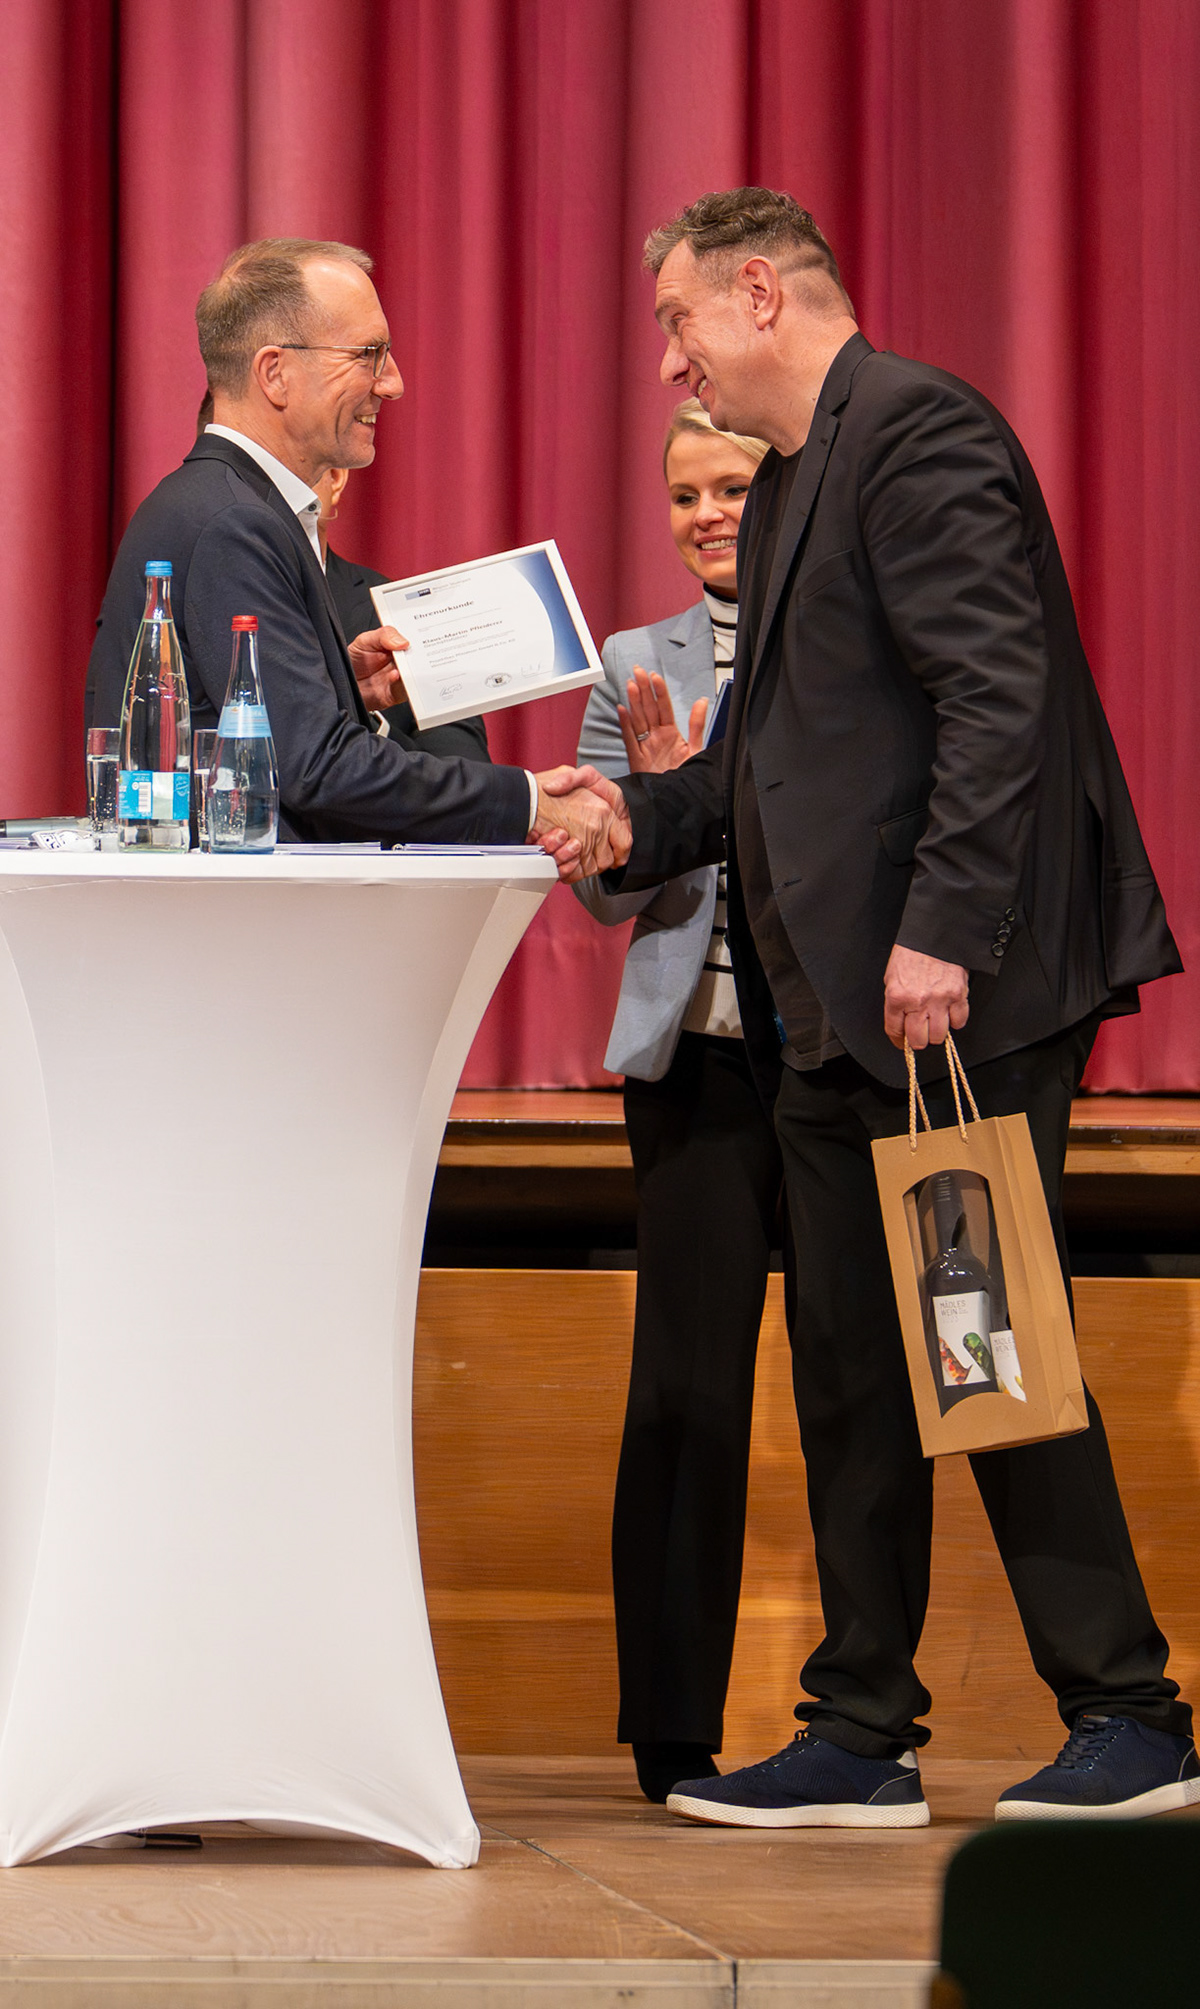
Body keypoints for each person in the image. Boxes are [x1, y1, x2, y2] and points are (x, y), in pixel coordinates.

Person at [544, 187, 1196, 1825]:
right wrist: (642, 818)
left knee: (982, 1337)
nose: (674, 357)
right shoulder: (784, 490)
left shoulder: (915, 431)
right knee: (850, 1352)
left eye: (681, 321)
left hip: (940, 994)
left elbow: (1003, 691)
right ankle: (862, 1723)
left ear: (760, 292)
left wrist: (945, 935)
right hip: (830, 1006)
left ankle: (1131, 1713)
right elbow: (776, 762)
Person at [84, 237, 619, 862]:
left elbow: (258, 737)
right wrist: (530, 801)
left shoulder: (223, 504)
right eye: (368, 355)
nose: (392, 383)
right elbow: (320, 771)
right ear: (275, 374)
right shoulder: (235, 522)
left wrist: (341, 692)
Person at [572, 399, 784, 1805]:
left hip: (833, 1065)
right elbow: (600, 882)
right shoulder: (630, 663)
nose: (707, 515)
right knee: (687, 1394)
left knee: (853, 1389)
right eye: (684, 498)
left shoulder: (841, 636)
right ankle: (671, 1729)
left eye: (731, 487)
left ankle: (862, 1718)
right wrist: (652, 805)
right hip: (696, 1069)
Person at [312, 464, 492, 764]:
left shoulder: (409, 616)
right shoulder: (210, 609)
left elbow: (466, 768)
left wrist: (363, 722)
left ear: (334, 478)